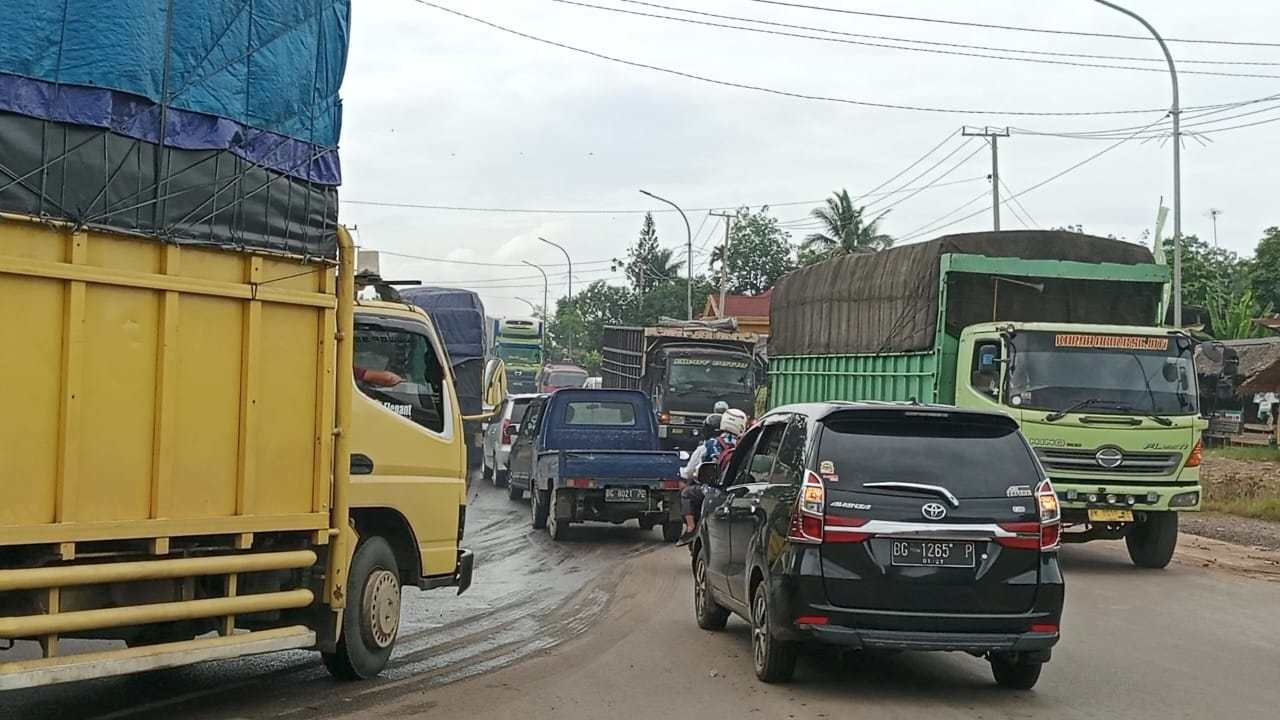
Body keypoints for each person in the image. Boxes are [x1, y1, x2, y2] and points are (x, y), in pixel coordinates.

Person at [676, 409, 748, 546]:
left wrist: (684, 476)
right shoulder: (746, 445)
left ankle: (690, 528)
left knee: (686, 493)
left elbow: (689, 471)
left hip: (712, 490)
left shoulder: (709, 445)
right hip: (737, 491)